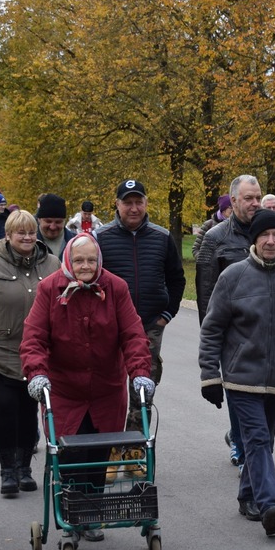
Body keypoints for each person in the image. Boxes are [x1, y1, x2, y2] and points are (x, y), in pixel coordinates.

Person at [21, 233, 154, 541]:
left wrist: (140, 373)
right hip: (65, 391)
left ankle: (90, 513)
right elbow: (34, 338)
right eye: (79, 260)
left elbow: (133, 335)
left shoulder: (115, 288)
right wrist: (37, 373)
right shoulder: (49, 289)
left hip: (106, 390)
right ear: (68, 260)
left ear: (99, 261)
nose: (85, 266)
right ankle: (72, 511)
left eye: (91, 260)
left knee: (98, 453)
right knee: (69, 456)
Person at [199, 210, 275, 536]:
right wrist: (210, 376)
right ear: (253, 240)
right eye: (264, 235)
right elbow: (212, 329)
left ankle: (246, 495)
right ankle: (270, 504)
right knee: (256, 440)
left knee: (264, 442)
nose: (270, 241)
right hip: (242, 376)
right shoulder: (233, 277)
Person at [197, 175, 275, 467]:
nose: (254, 203)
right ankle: (247, 456)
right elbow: (206, 292)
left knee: (268, 404)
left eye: (258, 197)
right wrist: (211, 344)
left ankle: (250, 447)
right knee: (241, 394)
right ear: (234, 201)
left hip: (274, 333)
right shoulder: (215, 238)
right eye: (248, 199)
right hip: (234, 335)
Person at [0, 210, 61, 496]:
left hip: (39, 352)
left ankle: (24, 468)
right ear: (7, 235)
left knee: (29, 410)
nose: (27, 237)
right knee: (7, 409)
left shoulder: (52, 264)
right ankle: (7, 470)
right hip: (3, 350)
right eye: (20, 232)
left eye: (31, 231)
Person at [95, 178, 186, 432]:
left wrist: (165, 316)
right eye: (128, 203)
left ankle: (134, 450)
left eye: (138, 202)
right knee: (109, 391)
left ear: (146, 204)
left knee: (143, 392)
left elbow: (177, 279)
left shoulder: (162, 237)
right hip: (108, 328)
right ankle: (109, 448)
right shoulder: (100, 238)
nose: (133, 208)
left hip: (149, 326)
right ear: (117, 204)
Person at [35, 192, 76, 259]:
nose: (53, 227)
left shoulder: (76, 242)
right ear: (39, 219)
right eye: (48, 221)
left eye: (58, 222)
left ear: (64, 221)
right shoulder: (29, 243)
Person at [191, 194, 231, 260]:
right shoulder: (208, 225)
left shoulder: (236, 226)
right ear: (223, 209)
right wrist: (205, 262)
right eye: (230, 206)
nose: (234, 209)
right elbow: (196, 249)